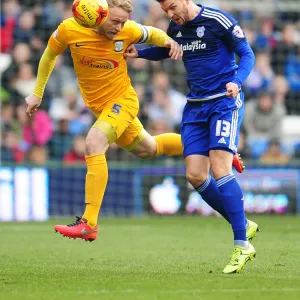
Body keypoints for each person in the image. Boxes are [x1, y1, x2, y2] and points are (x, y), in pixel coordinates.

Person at [25, 0, 243, 244]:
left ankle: (89, 223)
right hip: (100, 107)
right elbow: (49, 54)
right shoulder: (69, 29)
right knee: (148, 148)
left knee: (94, 142)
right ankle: (216, 149)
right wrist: (38, 92)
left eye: (123, 22)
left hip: (122, 101)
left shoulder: (130, 29)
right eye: (115, 21)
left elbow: (155, 33)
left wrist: (169, 42)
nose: (120, 27)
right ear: (99, 15)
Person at [125, 0, 257, 274]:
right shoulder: (177, 26)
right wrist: (140, 53)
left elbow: (247, 54)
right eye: (165, 11)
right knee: (196, 175)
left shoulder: (218, 20)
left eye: (173, 7)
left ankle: (242, 244)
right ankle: (242, 222)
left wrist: (237, 81)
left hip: (224, 101)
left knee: (219, 167)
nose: (170, 15)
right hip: (195, 106)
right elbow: (168, 50)